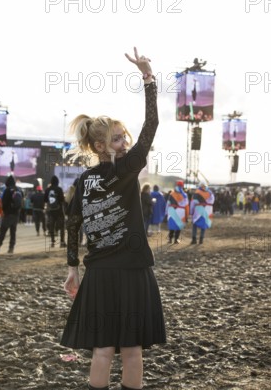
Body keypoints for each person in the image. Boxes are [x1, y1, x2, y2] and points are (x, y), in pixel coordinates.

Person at [60, 47, 165, 390]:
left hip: (101, 273)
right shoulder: (126, 168)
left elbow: (72, 224)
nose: (125, 141)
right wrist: (148, 78)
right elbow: (152, 125)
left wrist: (73, 267)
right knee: (130, 350)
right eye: (117, 138)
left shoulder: (84, 180)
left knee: (104, 350)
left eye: (124, 137)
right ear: (101, 146)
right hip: (132, 269)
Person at [0, 174, 22, 254]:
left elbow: (4, 203)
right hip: (16, 215)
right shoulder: (19, 190)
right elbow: (21, 202)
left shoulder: (7, 190)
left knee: (2, 231)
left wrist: (4, 211)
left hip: (8, 214)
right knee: (13, 232)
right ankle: (11, 248)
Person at [45, 175, 66, 247]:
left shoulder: (47, 189)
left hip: (50, 211)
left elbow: (45, 200)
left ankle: (52, 242)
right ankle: (62, 242)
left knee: (51, 226)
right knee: (62, 226)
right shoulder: (59, 189)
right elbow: (62, 200)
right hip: (59, 211)